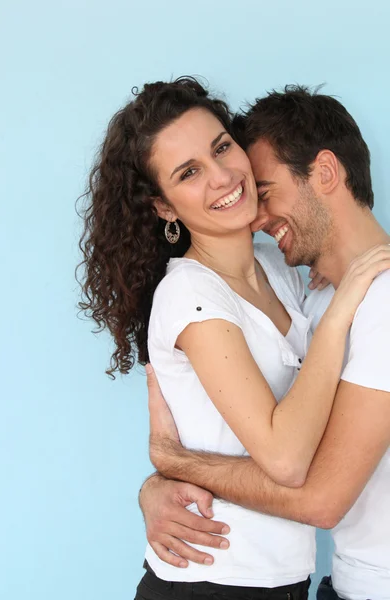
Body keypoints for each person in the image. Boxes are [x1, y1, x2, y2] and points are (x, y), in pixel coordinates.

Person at [77, 78, 390, 600]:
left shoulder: (293, 278)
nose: (227, 180)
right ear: (163, 206)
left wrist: (174, 464)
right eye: (189, 172)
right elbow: (281, 457)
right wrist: (160, 481)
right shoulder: (196, 293)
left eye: (222, 148)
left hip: (294, 583)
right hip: (215, 582)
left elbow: (314, 491)